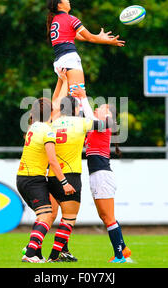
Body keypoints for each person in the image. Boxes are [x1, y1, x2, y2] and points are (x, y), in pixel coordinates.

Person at [46, 89, 113, 262]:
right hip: (71, 175)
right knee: (69, 219)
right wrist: (83, 99)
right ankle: (54, 256)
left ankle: (43, 250)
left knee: (52, 216)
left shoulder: (53, 124)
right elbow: (104, 124)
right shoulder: (80, 123)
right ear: (76, 110)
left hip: (53, 175)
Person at [72, 86, 132, 263]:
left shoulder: (105, 124)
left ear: (109, 115)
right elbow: (83, 116)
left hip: (102, 176)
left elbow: (90, 116)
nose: (98, 108)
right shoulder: (94, 127)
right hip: (98, 176)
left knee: (108, 218)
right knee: (106, 217)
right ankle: (123, 248)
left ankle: (119, 256)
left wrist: (83, 97)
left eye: (103, 107)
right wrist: (77, 99)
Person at [17, 85, 75, 263]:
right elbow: (52, 161)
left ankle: (36, 252)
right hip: (33, 179)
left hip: (24, 178)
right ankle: (30, 251)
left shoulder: (34, 126)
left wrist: (61, 81)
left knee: (45, 213)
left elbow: (52, 105)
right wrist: (65, 182)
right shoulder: (47, 130)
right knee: (46, 216)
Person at [46, 0, 125, 97]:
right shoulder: (71, 19)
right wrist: (108, 41)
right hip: (70, 60)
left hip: (59, 62)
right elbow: (90, 37)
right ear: (59, 5)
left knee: (58, 102)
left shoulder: (55, 21)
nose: (68, 1)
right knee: (78, 98)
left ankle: (51, 114)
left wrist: (98, 37)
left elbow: (77, 36)